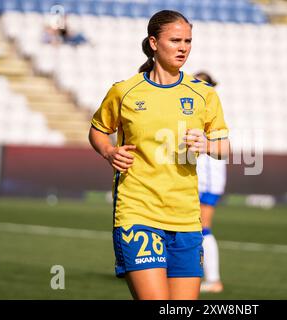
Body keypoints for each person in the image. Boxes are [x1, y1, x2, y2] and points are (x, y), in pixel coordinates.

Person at [88, 10, 230, 300]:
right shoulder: (124, 91)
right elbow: (98, 130)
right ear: (154, 42)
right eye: (175, 40)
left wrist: (206, 145)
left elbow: (224, 147)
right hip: (137, 213)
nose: (183, 47)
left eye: (188, 41)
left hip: (186, 219)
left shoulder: (204, 94)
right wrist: (108, 151)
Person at [193, 71, 226, 293]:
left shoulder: (206, 106)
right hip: (206, 176)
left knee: (203, 228)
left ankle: (213, 280)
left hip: (207, 178)